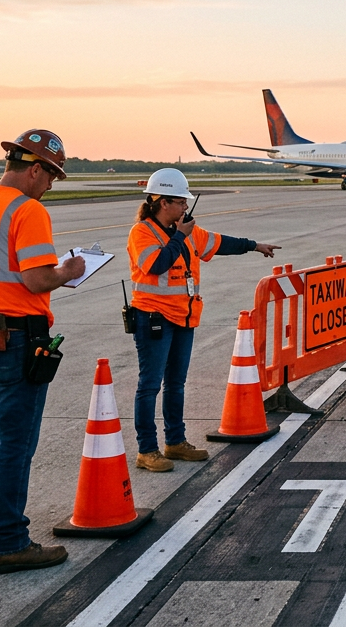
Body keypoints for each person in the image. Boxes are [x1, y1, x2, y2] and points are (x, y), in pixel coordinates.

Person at [0, 129, 84, 574]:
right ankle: (10, 541)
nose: (50, 186)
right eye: (52, 176)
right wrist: (71, 269)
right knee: (14, 443)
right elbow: (37, 280)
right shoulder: (27, 210)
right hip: (15, 338)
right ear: (35, 168)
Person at [128, 168, 281, 472]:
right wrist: (179, 238)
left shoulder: (189, 233)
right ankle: (147, 450)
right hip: (153, 318)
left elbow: (220, 242)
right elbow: (157, 265)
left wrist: (253, 245)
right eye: (181, 202)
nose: (186, 207)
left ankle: (175, 442)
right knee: (149, 386)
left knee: (176, 383)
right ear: (162, 202)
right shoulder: (142, 233)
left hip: (184, 318)